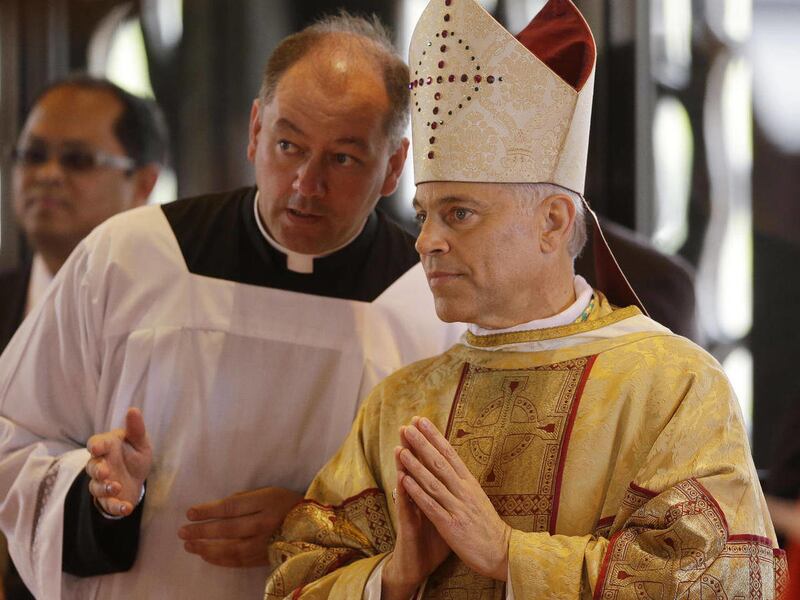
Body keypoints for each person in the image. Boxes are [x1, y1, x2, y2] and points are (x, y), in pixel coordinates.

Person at [262, 1, 784, 598]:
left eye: (460, 213)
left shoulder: (672, 387)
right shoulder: (401, 405)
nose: (428, 241)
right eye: (425, 214)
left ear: (553, 221)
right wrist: (395, 574)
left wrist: (512, 556)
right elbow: (297, 579)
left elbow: (724, 583)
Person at [0, 15, 459, 600]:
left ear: (395, 166)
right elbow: (15, 437)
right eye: (288, 146)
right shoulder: (131, 257)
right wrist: (100, 495)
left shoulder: (435, 299)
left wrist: (321, 526)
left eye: (343, 159)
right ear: (254, 129)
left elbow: (475, 508)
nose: (304, 184)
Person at [0, 75, 167, 600]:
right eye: (32, 155)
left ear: (143, 183)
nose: (47, 175)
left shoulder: (168, 324)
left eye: (76, 160)